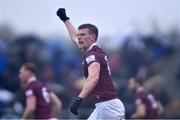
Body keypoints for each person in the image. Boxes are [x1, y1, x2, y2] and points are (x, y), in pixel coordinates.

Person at [56, 8, 125, 120]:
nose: (79, 37)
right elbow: (74, 37)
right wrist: (65, 19)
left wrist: (79, 99)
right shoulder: (93, 51)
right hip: (104, 106)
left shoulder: (92, 55)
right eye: (79, 35)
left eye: (83, 35)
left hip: (108, 107)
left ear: (92, 37)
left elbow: (93, 77)